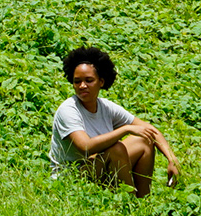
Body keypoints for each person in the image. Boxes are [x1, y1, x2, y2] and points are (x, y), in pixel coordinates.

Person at [49, 46, 178, 197]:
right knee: (116, 148)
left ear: (101, 82)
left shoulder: (105, 107)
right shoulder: (68, 109)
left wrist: (172, 159)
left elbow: (150, 129)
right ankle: (129, 202)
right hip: (73, 178)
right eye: (77, 82)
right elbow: (85, 147)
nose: (82, 86)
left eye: (89, 80)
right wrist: (124, 130)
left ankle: (143, 200)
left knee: (144, 140)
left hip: (99, 168)